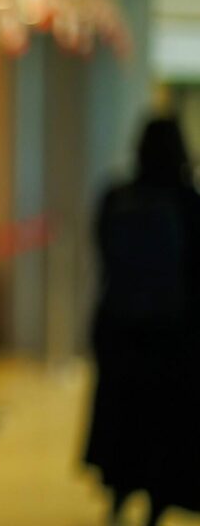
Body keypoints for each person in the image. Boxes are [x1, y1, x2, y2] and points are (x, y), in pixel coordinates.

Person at [84, 117, 200, 526]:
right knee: (166, 426)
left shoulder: (116, 197)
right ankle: (157, 504)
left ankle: (117, 498)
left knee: (122, 420)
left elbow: (103, 255)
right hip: (173, 335)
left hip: (120, 330)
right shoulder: (188, 202)